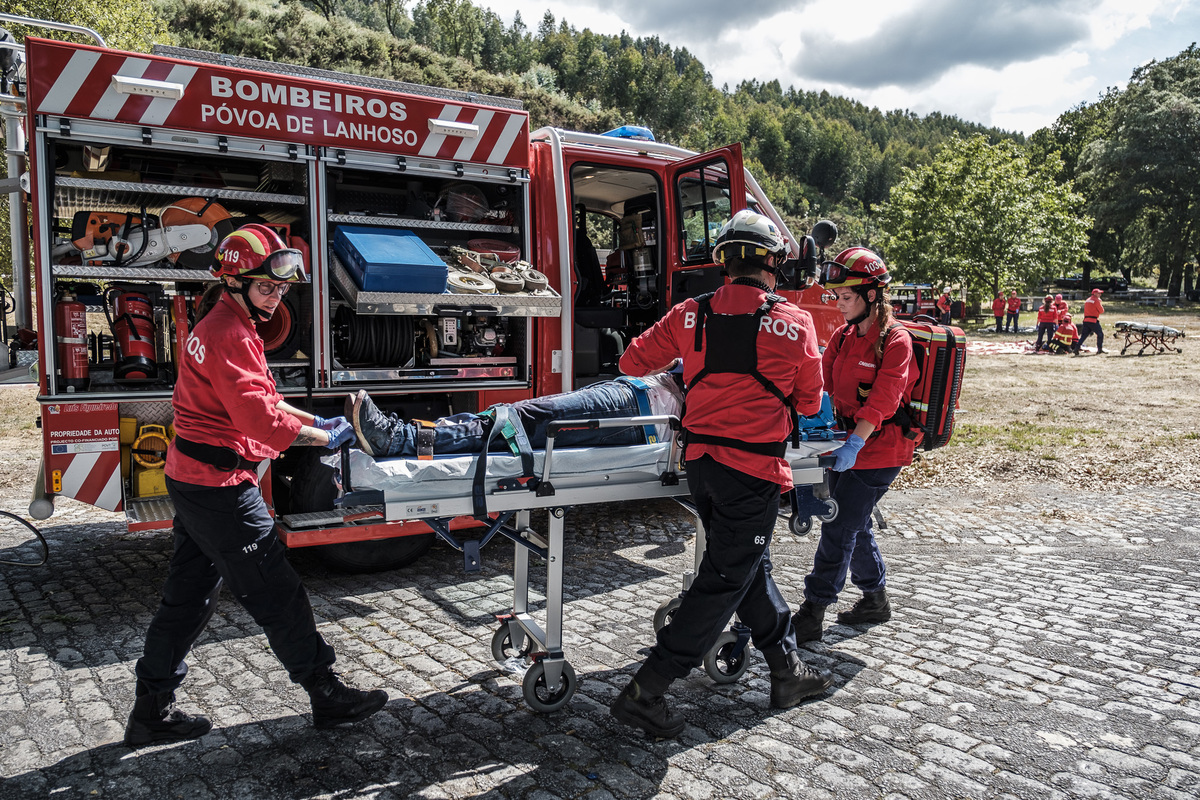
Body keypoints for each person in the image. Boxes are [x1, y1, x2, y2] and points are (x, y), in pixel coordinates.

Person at [125, 224, 388, 748]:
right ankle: (325, 692)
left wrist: (316, 418)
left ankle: (150, 710)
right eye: (267, 286)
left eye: (282, 288)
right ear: (234, 280)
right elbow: (260, 423)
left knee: (188, 599)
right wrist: (322, 438)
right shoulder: (229, 332)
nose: (277, 295)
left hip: (194, 480)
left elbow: (263, 398)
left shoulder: (226, 321)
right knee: (275, 591)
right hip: (219, 487)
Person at [608, 209, 832, 739]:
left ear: (724, 262)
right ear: (773, 263)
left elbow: (631, 364)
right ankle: (648, 688)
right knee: (725, 577)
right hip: (752, 469)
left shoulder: (690, 314)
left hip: (701, 466)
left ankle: (786, 671)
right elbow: (810, 400)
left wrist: (695, 372)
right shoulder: (795, 323)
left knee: (746, 567)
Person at [791, 247, 918, 644]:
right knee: (856, 521)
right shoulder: (844, 337)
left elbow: (884, 399)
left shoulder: (896, 342)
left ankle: (813, 611)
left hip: (881, 449)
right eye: (838, 297)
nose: (840, 305)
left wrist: (855, 443)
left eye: (847, 297)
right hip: (846, 442)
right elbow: (821, 384)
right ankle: (875, 598)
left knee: (840, 522)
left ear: (872, 296)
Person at [346, 372, 684, 457]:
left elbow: (638, 355)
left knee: (517, 423)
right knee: (512, 420)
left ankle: (396, 439)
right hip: (642, 400)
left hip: (644, 411)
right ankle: (403, 437)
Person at [1077, 288, 1106, 353]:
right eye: (1099, 293)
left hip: (1086, 320)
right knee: (1100, 334)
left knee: (1084, 336)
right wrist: (1100, 302)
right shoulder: (1096, 300)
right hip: (1093, 321)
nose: (1100, 294)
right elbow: (1101, 311)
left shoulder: (1087, 300)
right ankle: (1099, 349)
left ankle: (1076, 348)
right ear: (1094, 293)